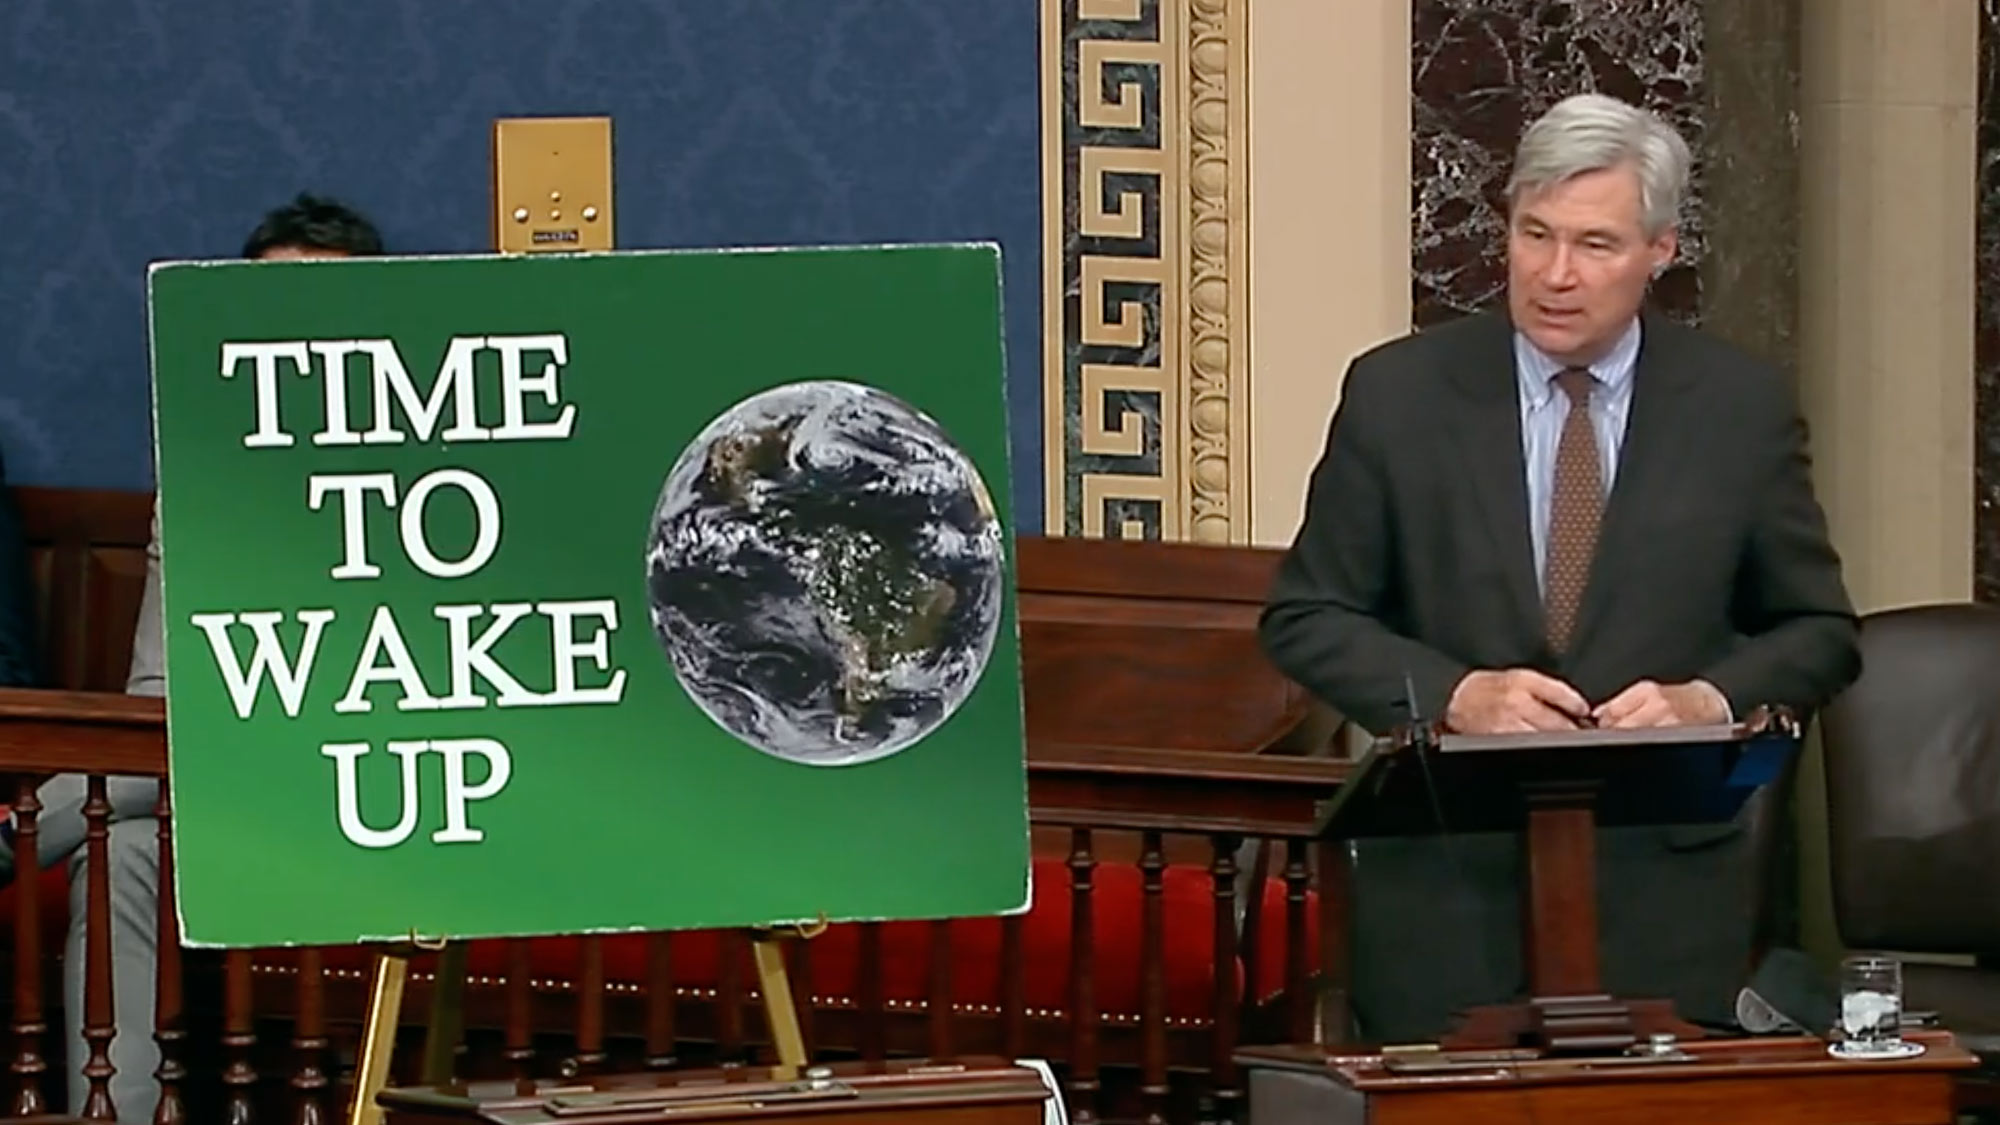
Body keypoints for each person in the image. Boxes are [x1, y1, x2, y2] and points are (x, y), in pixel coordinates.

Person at [1258, 93, 1860, 1043]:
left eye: (1595, 244)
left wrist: (1706, 697)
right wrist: (1457, 692)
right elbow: (1307, 616)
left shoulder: (1739, 410)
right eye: (1533, 234)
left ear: (1661, 250)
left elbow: (1820, 632)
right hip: (1448, 883)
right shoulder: (1398, 395)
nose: (1554, 275)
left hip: (1662, 891)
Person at [17, 192, 384, 1122]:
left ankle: (14, 829)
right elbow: (156, 701)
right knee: (122, 848)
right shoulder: (204, 492)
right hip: (213, 790)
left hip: (369, 788)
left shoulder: (422, 487)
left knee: (127, 803)